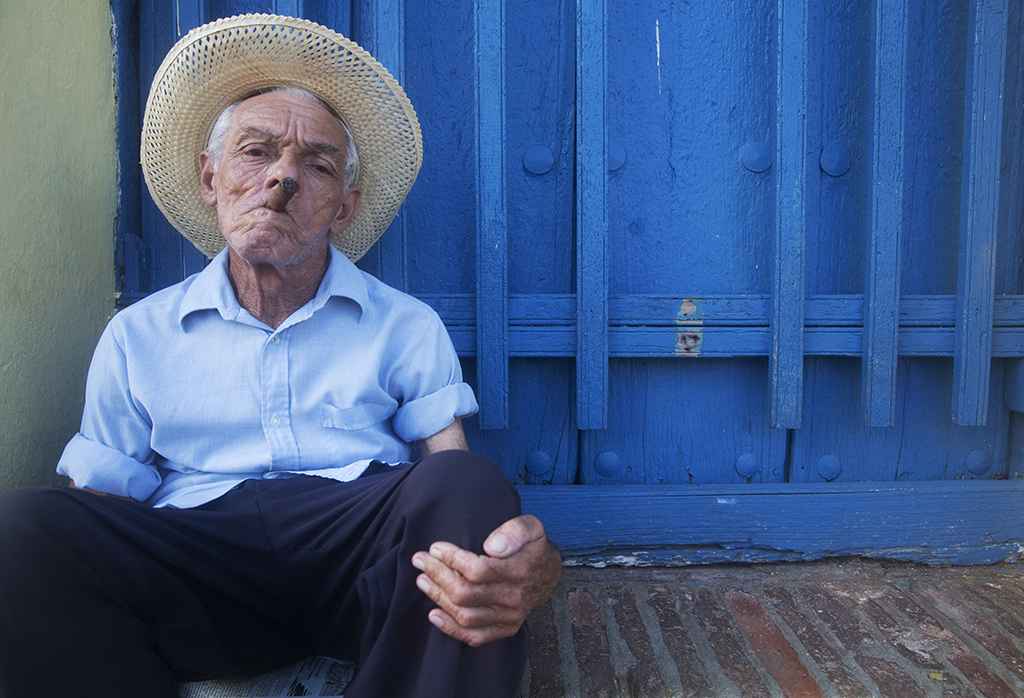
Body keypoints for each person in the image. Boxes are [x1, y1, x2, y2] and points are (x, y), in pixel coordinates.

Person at [0, 14, 561, 698]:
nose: (281, 179)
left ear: (344, 207)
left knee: (470, 485)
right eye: (256, 152)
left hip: (357, 555)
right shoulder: (137, 334)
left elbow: (450, 479)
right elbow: (98, 511)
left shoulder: (405, 325)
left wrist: (508, 551)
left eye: (316, 165)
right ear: (210, 178)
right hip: (200, 564)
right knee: (24, 529)